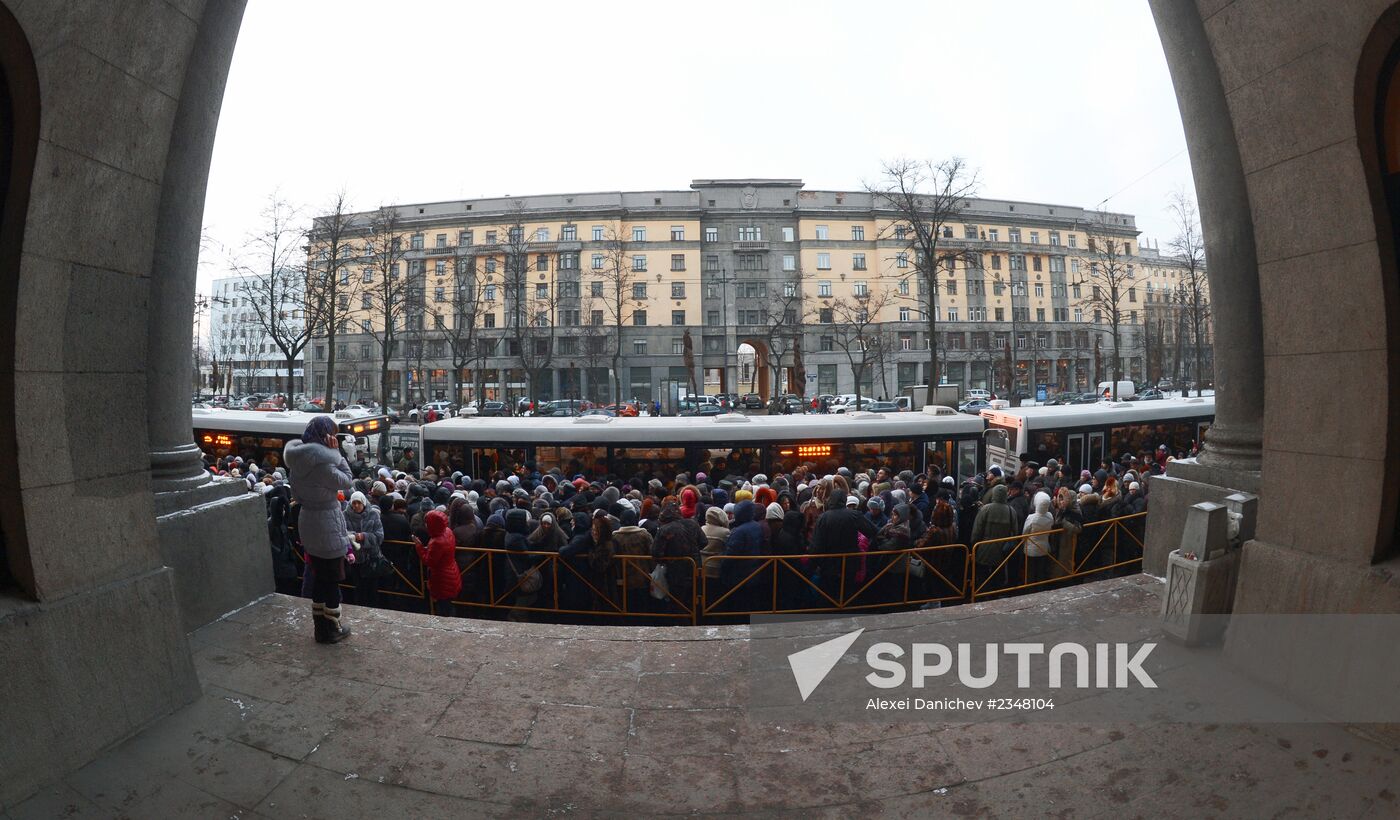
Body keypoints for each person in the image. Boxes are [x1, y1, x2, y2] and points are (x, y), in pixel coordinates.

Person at [283, 415, 354, 643]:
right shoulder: (323, 465)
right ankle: (331, 628)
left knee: (319, 576)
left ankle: (320, 628)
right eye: (331, 433)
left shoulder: (297, 463)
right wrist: (338, 455)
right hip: (327, 523)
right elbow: (347, 480)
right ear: (325, 436)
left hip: (308, 521)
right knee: (331, 578)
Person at [970, 483, 1022, 592]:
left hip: (983, 548)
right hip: (1002, 550)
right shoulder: (1011, 510)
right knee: (998, 575)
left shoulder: (985, 509)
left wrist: (973, 544)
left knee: (982, 576)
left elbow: (977, 531)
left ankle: (981, 596)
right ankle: (996, 595)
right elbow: (1015, 532)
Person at [414, 509, 461, 617]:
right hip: (452, 570)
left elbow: (428, 561)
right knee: (448, 604)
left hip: (442, 577)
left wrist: (419, 546)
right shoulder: (448, 531)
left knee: (443, 606)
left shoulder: (436, 542)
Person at [344, 490, 385, 608]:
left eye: (359, 503)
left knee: (372, 587)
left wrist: (364, 536)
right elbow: (341, 533)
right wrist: (351, 536)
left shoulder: (373, 514)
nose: (356, 505)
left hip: (372, 558)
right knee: (359, 586)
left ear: (363, 503)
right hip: (355, 558)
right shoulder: (345, 515)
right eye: (354, 503)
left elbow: (379, 536)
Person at [1022, 492, 1054, 585]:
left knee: (1030, 572)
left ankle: (1030, 590)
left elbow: (1024, 533)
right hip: (1044, 548)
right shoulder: (1050, 516)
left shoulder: (1031, 518)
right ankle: (1040, 588)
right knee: (1041, 571)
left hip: (1031, 549)